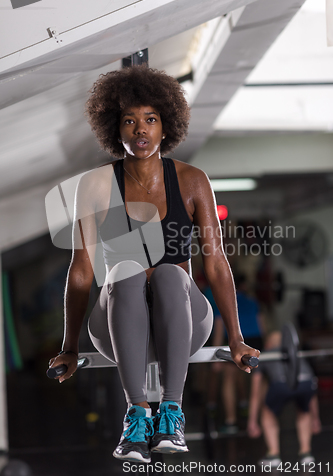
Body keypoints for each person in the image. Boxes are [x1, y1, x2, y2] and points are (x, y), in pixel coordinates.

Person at [48, 65, 259, 464]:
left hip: (181, 321)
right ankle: (137, 416)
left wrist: (235, 337)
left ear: (166, 126)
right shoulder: (93, 186)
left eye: (150, 120)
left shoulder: (193, 180)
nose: (140, 130)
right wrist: (69, 348)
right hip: (117, 328)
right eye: (129, 121)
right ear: (115, 128)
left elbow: (215, 264)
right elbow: (80, 273)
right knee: (123, 272)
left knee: (168, 273)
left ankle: (172, 413)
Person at [247, 331, 321, 468]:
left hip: (281, 384)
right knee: (304, 411)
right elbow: (312, 391)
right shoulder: (298, 355)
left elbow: (255, 393)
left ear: (268, 344)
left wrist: (252, 421)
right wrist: (316, 419)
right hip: (306, 384)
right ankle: (306, 454)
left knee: (267, 413)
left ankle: (274, 455)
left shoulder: (264, 355)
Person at [205, 274, 263, 433]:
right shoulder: (253, 302)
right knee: (245, 374)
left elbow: (218, 329)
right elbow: (261, 325)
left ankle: (231, 421)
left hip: (233, 341)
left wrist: (215, 356)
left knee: (229, 378)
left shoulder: (222, 303)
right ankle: (246, 406)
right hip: (254, 341)